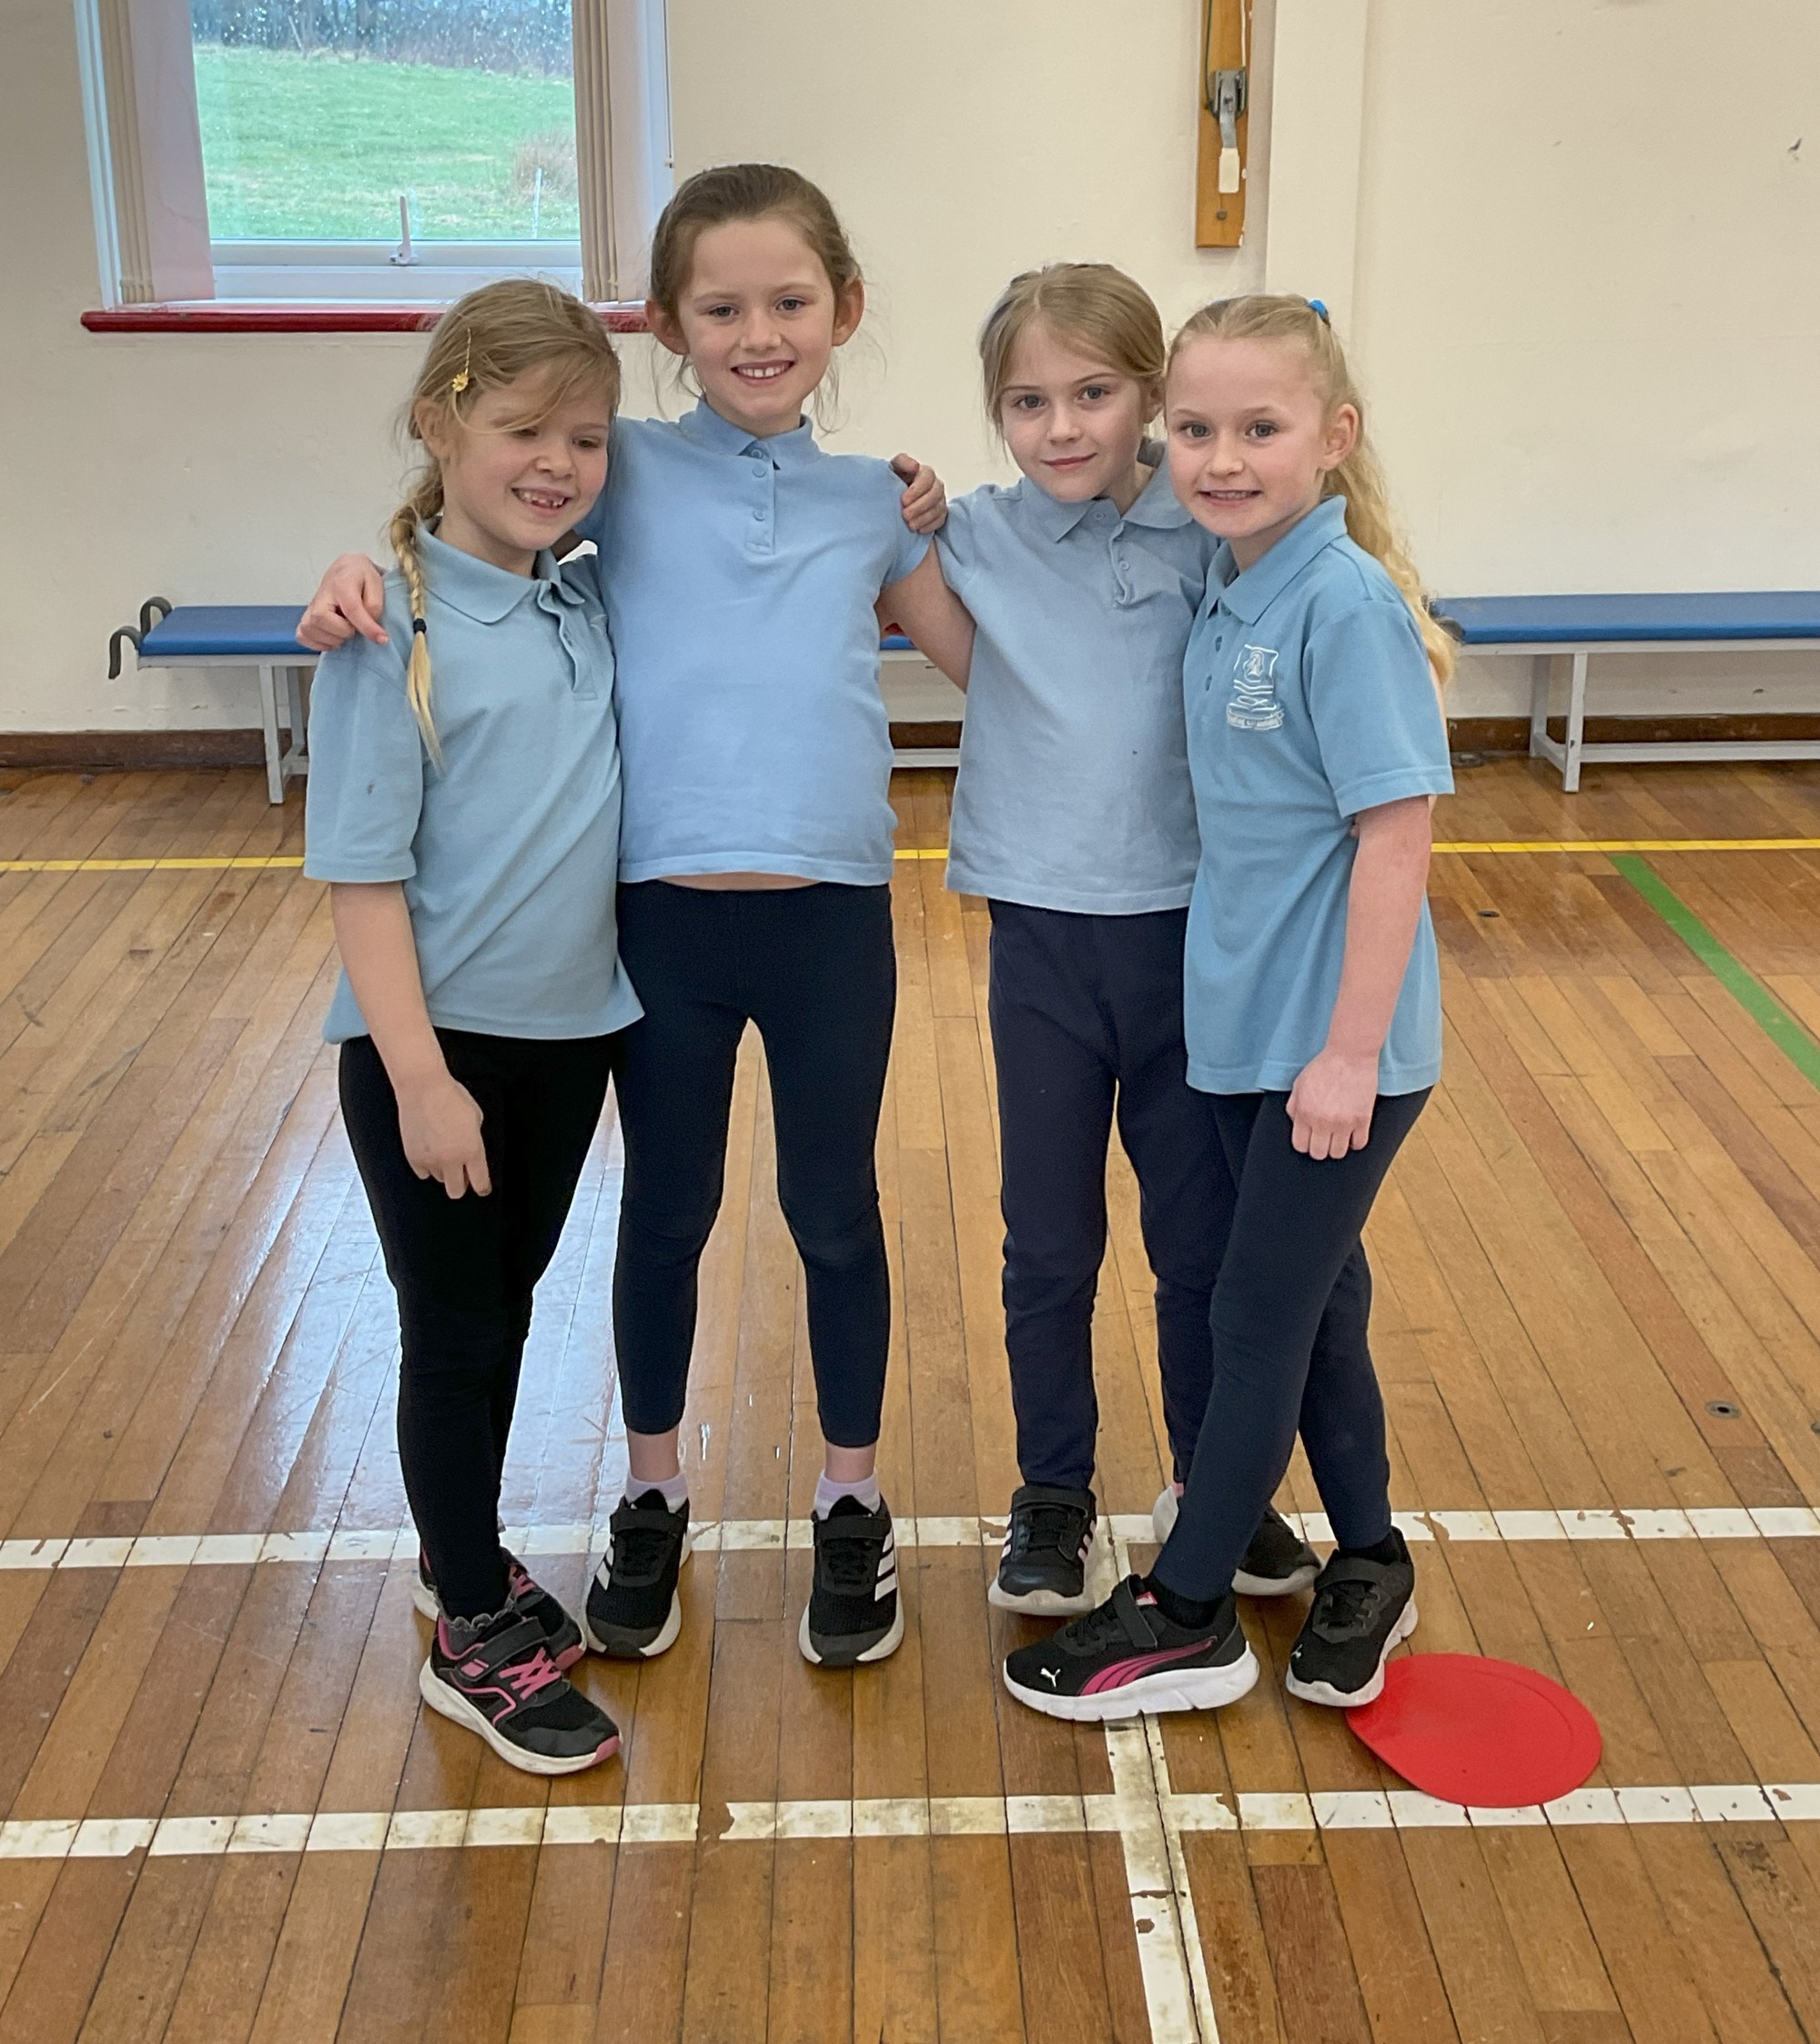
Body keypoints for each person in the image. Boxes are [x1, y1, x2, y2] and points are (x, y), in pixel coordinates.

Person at [300, 165, 961, 1675]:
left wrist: (1113, 510)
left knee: (835, 1214)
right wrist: (353, 569)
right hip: (658, 930)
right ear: (667, 324)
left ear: (844, 309)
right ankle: (652, 1492)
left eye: (790, 302)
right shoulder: (623, 466)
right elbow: (479, 499)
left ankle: (850, 1498)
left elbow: (1000, 662)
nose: (758, 333)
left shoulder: (877, 503)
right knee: (665, 1215)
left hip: (831, 925)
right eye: (721, 307)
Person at [1003, 292, 1454, 1721]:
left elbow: (1397, 837)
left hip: (1334, 1051)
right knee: (1319, 1306)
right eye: (1195, 429)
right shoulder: (1228, 582)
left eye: (1260, 428)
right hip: (1249, 1035)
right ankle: (1370, 1558)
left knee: (1257, 1315)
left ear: (1335, 436)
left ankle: (1187, 1613)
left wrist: (1350, 1053)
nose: (1222, 458)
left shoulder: (1341, 603)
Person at [914, 265, 1319, 1616]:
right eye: (1026, 401)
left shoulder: (1214, 533)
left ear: (1150, 393)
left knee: (1198, 1244)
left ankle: (1214, 1481)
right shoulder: (971, 535)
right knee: (1048, 1244)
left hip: (1193, 947)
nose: (1062, 426)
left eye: (1092, 392)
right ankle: (1054, 1494)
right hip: (1042, 945)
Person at [304, 280, 639, 1775]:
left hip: (570, 1049)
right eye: (521, 429)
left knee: (499, 1315)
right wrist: (423, 1083)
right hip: (437, 1062)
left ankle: (469, 1559)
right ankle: (467, 1630)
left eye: (586, 437)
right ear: (440, 424)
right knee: (453, 1335)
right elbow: (363, 886)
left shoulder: (579, 594)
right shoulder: (386, 633)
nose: (556, 462)